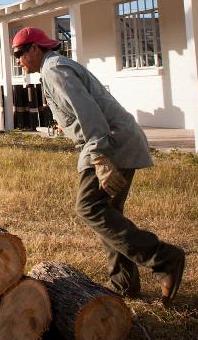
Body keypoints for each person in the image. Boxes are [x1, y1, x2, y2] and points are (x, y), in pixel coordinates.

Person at [11, 27, 185, 306]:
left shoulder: (54, 68)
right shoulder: (53, 69)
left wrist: (100, 157)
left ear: (35, 48)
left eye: (20, 53)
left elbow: (88, 112)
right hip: (114, 139)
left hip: (108, 142)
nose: (18, 60)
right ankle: (125, 285)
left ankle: (164, 259)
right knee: (108, 214)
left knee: (89, 207)